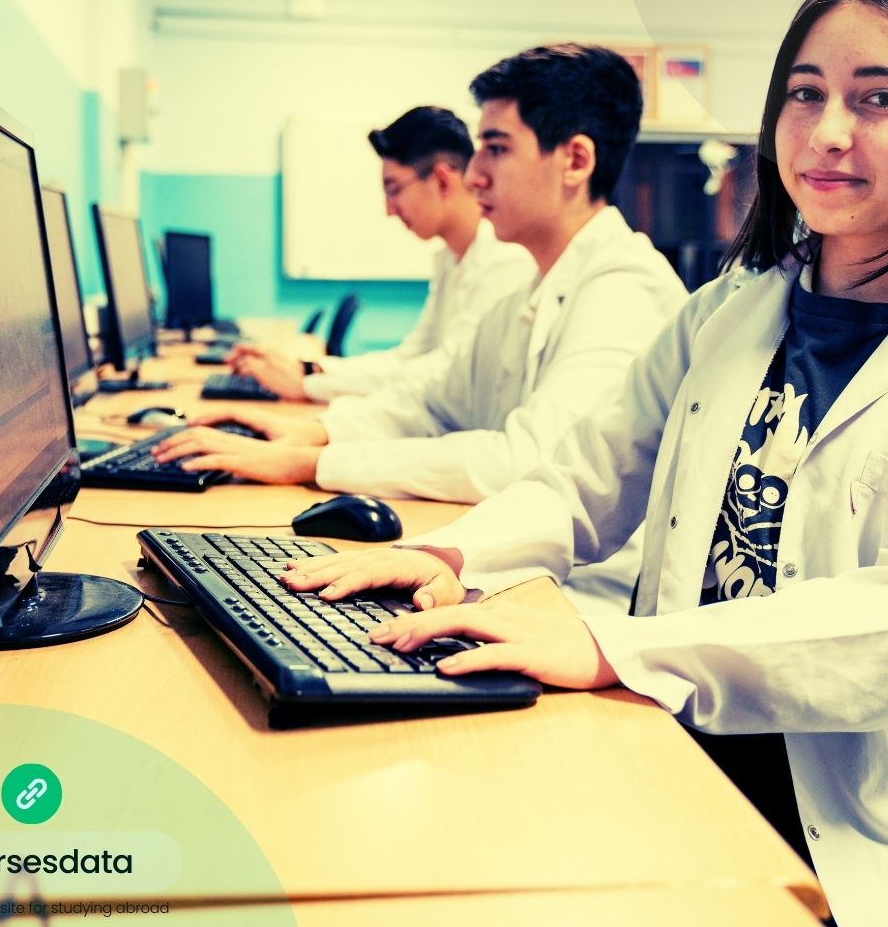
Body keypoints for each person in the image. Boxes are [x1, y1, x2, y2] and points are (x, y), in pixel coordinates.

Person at [280, 0, 888, 927]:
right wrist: (449, 555)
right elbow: (588, 479)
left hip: (845, 832)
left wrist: (613, 648)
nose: (828, 133)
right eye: (806, 93)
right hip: (672, 744)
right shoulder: (728, 311)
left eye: (881, 98)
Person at [156, 44, 688, 612]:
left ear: (575, 161)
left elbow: (525, 460)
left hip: (577, 601)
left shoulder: (626, 288)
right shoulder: (533, 285)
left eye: (496, 149)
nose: (474, 174)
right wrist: (313, 434)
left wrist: (313, 462)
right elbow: (430, 400)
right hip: (508, 569)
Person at [225, 106, 533, 402]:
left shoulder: (505, 260)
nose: (389, 210)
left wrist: (309, 383)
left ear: (441, 180)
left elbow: (441, 374)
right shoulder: (451, 260)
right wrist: (311, 369)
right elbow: (408, 359)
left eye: (394, 188)